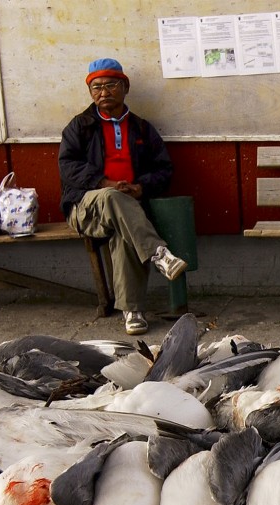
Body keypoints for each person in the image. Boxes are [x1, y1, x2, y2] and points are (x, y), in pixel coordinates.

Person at [58, 58, 187, 336]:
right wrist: (104, 183)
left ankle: (133, 311)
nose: (103, 92)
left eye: (110, 85)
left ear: (124, 87)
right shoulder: (79, 127)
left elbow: (164, 169)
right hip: (85, 206)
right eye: (96, 87)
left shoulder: (141, 128)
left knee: (123, 228)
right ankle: (159, 253)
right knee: (112, 198)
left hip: (128, 209)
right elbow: (68, 167)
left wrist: (140, 187)